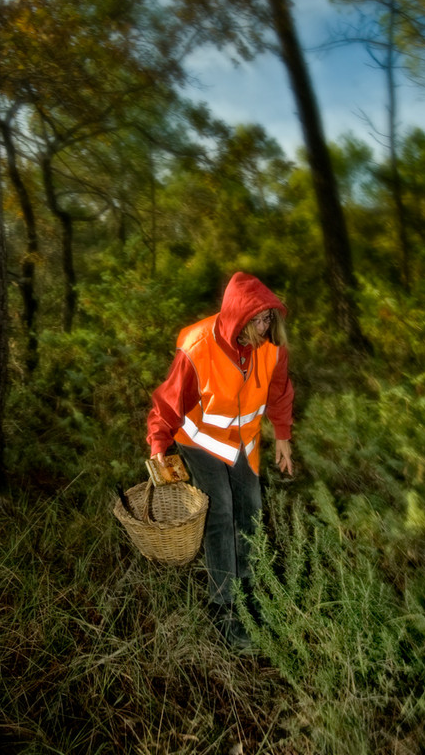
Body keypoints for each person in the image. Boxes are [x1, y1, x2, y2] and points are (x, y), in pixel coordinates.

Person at [146, 271, 294, 652]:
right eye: (258, 318)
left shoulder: (271, 347)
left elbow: (279, 391)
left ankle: (248, 594)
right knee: (221, 511)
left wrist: (283, 437)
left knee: (251, 511)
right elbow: (168, 402)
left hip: (242, 442)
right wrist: (158, 447)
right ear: (238, 316)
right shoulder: (198, 346)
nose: (264, 326)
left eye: (268, 319)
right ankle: (223, 606)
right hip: (200, 441)